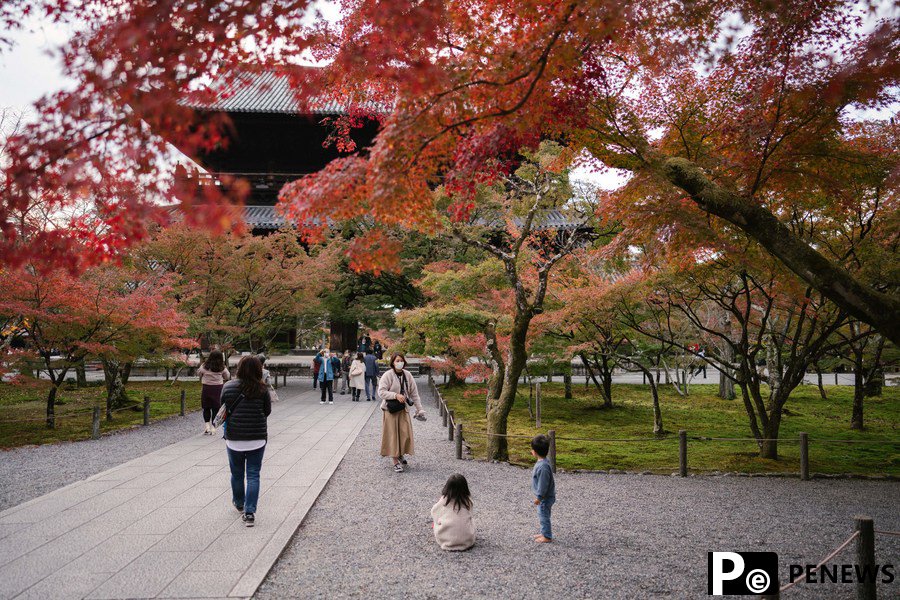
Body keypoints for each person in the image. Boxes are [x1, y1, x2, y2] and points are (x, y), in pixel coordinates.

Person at [220, 355, 272, 527]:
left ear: (239, 368)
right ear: (259, 369)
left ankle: (239, 502)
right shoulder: (263, 389)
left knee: (236, 473)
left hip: (234, 438)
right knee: (253, 474)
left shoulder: (228, 386)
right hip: (256, 438)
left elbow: (224, 408)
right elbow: (267, 412)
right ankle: (249, 512)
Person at [378, 352, 425, 472]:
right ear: (393, 362)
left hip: (403, 409)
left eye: (401, 360)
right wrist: (395, 395)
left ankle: (400, 454)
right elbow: (381, 392)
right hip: (391, 409)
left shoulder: (408, 375)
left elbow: (414, 393)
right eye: (397, 361)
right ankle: (395, 461)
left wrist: (420, 409)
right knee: (393, 435)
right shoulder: (388, 375)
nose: (399, 363)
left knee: (404, 434)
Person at [431, 474, 476, 551]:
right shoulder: (468, 501)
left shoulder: (444, 500)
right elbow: (470, 514)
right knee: (471, 520)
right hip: (467, 541)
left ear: (447, 487)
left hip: (445, 541)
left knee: (436, 522)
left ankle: (448, 534)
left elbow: (434, 512)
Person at [530, 434, 556, 543]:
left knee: (544, 515)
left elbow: (543, 484)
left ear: (535, 451)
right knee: (543, 514)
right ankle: (543, 532)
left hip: (545, 497)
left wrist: (539, 497)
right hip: (544, 497)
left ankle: (547, 536)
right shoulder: (543, 462)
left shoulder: (543, 467)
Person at [198, 350, 230, 435]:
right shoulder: (222, 367)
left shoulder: (204, 366)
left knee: (206, 407)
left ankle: (207, 426)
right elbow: (227, 376)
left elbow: (199, 373)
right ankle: (213, 427)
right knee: (216, 408)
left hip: (206, 388)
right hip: (218, 389)